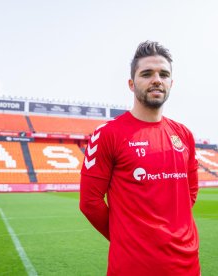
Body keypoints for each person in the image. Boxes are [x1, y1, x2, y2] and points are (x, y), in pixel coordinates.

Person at [80, 41, 200, 276]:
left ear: (171, 83)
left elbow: (190, 194)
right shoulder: (107, 134)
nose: (157, 79)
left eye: (164, 74)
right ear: (131, 83)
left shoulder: (184, 135)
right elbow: (89, 203)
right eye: (147, 74)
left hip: (187, 266)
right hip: (132, 267)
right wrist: (128, 238)